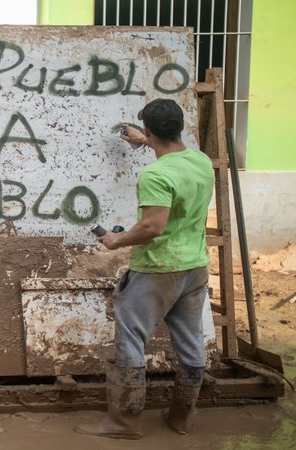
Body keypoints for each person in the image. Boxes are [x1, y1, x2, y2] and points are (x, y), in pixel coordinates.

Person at [74, 98, 215, 440]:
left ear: (149, 129)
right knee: (190, 341)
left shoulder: (156, 174)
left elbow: (153, 226)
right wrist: (147, 141)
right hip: (194, 267)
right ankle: (181, 417)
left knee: (131, 339)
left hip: (158, 269)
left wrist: (114, 241)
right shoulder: (200, 161)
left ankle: (123, 422)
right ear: (179, 127)